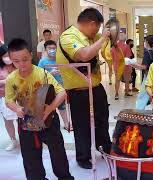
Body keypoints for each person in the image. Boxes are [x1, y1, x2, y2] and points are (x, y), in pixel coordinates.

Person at [5, 38, 73, 180]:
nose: (22, 64)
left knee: (58, 153)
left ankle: (65, 177)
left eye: (25, 59)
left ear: (31, 55)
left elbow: (62, 93)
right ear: (10, 60)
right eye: (16, 61)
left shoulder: (42, 73)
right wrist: (17, 108)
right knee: (30, 158)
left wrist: (50, 108)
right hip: (26, 122)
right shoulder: (11, 78)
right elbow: (8, 100)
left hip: (49, 120)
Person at [56, 8, 112, 169]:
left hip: (95, 87)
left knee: (102, 121)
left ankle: (105, 148)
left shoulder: (90, 37)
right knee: (82, 125)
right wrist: (102, 39)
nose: (97, 32)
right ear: (91, 23)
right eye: (97, 27)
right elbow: (83, 55)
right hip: (79, 92)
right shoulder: (69, 37)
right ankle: (83, 157)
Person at [38, 40, 72, 131]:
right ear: (45, 49)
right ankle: (45, 123)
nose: (52, 50)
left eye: (54, 48)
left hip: (60, 88)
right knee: (48, 107)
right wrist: (50, 74)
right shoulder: (42, 62)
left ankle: (66, 123)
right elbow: (39, 77)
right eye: (50, 48)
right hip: (47, 89)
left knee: (62, 107)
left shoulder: (60, 60)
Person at [0, 44, 18, 151]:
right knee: (8, 120)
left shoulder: (18, 64)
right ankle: (13, 140)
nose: (8, 58)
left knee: (23, 118)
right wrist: (4, 81)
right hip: (4, 97)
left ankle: (27, 138)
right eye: (5, 55)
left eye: (10, 55)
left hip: (20, 97)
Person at [111, 32, 133, 99]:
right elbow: (128, 58)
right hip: (125, 66)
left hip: (116, 65)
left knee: (117, 80)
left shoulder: (114, 47)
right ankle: (126, 92)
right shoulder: (126, 46)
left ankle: (116, 94)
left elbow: (112, 57)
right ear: (125, 38)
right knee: (127, 80)